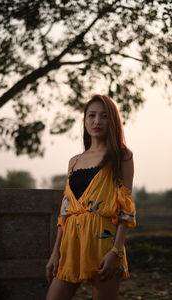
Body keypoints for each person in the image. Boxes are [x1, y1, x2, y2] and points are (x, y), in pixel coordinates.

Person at [45, 94, 136, 300]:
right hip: (70, 245)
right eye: (91, 115)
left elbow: (126, 208)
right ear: (84, 120)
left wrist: (116, 251)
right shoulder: (74, 161)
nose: (96, 121)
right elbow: (65, 212)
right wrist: (55, 253)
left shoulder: (122, 156)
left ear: (112, 121)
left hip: (103, 243)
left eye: (104, 116)